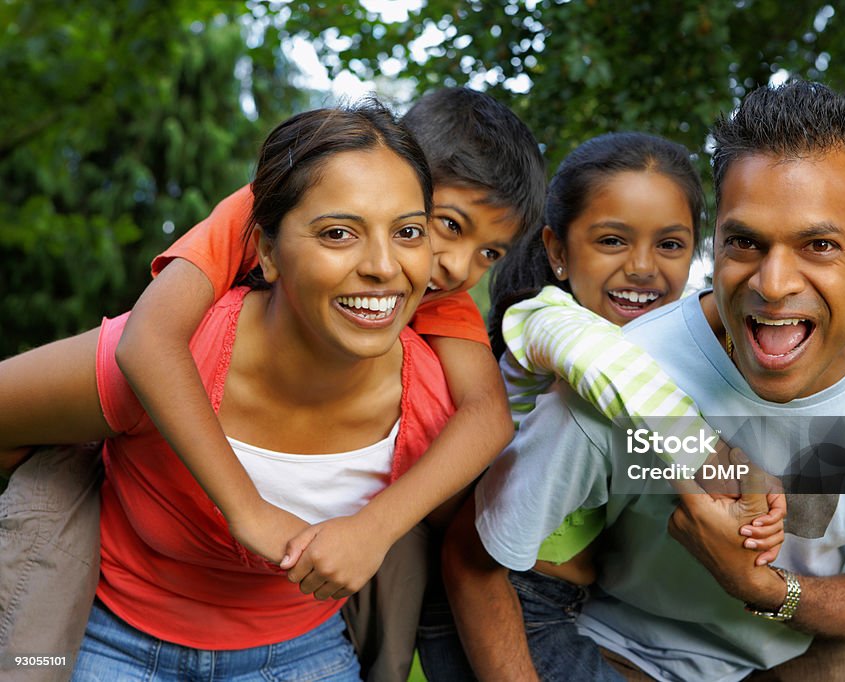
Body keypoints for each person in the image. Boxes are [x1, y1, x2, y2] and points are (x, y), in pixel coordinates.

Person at [469, 81, 845, 681]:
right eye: (746, 242)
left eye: (820, 244)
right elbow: (481, 564)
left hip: (807, 635)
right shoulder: (615, 385)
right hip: (626, 648)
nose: (774, 283)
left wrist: (755, 584)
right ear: (717, 245)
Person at [0, 87, 546, 682]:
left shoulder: (440, 313)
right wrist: (242, 507)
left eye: (487, 252)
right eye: (448, 226)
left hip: (298, 643)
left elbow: (486, 420)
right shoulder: (254, 218)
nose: (458, 267)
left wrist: (374, 530)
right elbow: (149, 343)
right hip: (117, 620)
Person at [434, 132, 785, 681]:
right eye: (612, 241)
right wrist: (716, 462)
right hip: (513, 602)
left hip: (572, 605)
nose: (643, 267)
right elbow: (603, 369)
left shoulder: (655, 350)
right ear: (557, 251)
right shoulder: (549, 320)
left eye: (670, 245)